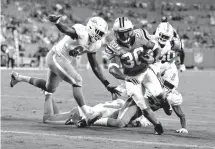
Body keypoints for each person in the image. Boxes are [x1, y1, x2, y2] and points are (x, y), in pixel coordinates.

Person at [10, 14, 120, 126]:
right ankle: (87, 114)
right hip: (56, 56)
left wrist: (106, 84)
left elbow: (95, 66)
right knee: (77, 80)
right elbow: (67, 30)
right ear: (92, 28)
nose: (100, 36)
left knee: (49, 88)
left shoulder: (95, 44)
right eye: (99, 33)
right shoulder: (82, 32)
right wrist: (57, 22)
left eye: (102, 34)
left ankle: (19, 78)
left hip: (63, 61)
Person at [104, 17, 170, 135]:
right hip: (131, 77)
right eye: (120, 33)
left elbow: (156, 48)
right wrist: (125, 78)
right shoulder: (113, 46)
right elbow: (112, 69)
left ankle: (164, 101)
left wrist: (153, 58)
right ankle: (157, 124)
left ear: (130, 31)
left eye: (125, 32)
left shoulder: (141, 35)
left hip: (145, 71)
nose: (122, 36)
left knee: (159, 95)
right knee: (142, 105)